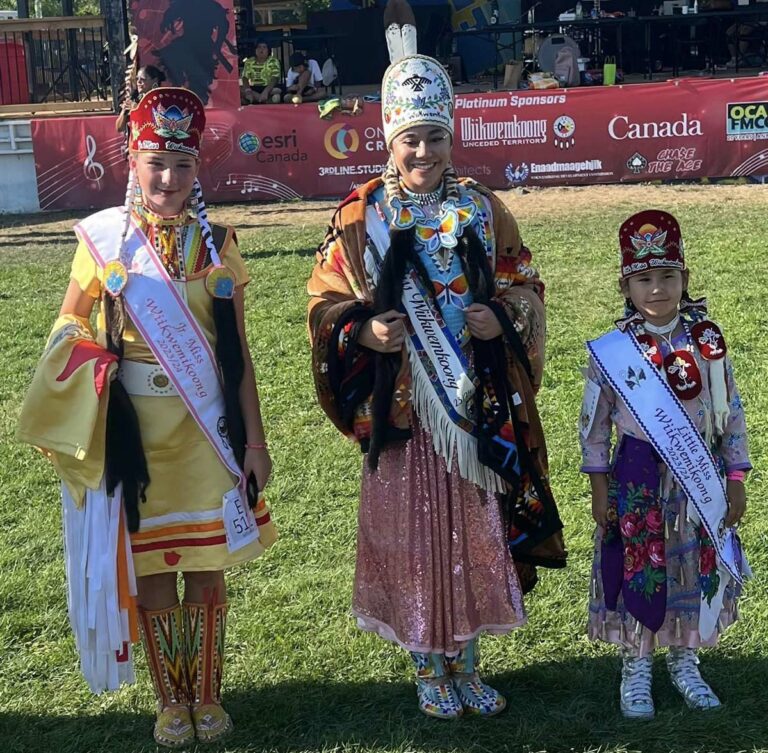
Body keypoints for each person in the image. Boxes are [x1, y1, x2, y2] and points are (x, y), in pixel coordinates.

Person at [307, 21, 566, 719]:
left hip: (471, 405)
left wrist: (502, 314)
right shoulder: (362, 216)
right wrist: (364, 330)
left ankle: (468, 662)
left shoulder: (482, 209)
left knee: (473, 536)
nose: (423, 151)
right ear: (389, 141)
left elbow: (524, 281)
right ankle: (428, 665)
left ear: (453, 138)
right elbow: (324, 303)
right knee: (417, 541)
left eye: (435, 136)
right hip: (405, 412)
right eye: (410, 138)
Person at [18, 87, 276, 748]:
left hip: (205, 435)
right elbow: (65, 332)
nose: (169, 178)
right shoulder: (104, 244)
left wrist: (254, 440)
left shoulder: (219, 245)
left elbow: (237, 354)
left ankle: (209, 694)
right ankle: (172, 698)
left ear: (199, 171)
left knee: (208, 565)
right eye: (156, 162)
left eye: (182, 165)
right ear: (132, 161)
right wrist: (92, 365)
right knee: (156, 571)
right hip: (136, 443)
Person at [580, 210, 751, 720]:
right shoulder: (613, 351)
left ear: (685, 279)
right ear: (626, 285)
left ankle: (685, 661)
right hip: (636, 476)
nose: (657, 290)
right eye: (644, 280)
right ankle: (636, 668)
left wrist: (737, 476)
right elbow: (595, 427)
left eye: (667, 277)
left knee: (689, 567)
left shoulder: (707, 344)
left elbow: (731, 413)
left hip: (697, 477)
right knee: (641, 567)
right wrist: (599, 488)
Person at [115, 65, 166, 134]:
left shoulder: (163, 99)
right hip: (138, 142)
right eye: (137, 79)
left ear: (155, 80)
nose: (138, 82)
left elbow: (160, 124)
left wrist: (137, 109)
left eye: (142, 79)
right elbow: (119, 128)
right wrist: (124, 111)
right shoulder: (134, 98)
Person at [241, 40, 282, 104]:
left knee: (277, 90)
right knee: (239, 89)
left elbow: (275, 78)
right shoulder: (249, 61)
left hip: (269, 88)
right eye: (259, 47)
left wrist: (266, 91)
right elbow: (245, 78)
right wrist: (248, 90)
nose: (261, 49)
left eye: (264, 47)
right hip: (254, 88)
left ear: (268, 50)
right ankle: (264, 100)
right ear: (255, 50)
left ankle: (254, 100)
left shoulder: (273, 61)